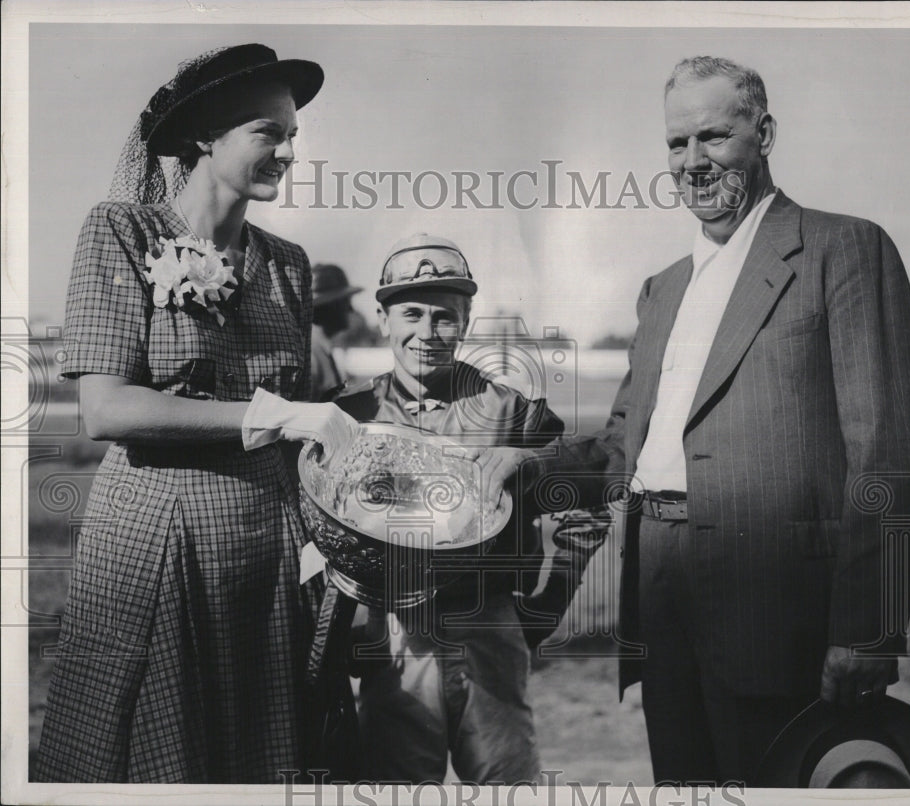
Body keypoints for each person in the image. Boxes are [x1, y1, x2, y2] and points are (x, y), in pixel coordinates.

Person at [471, 56, 910, 784]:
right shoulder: (663, 291)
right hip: (662, 606)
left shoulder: (843, 248)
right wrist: (524, 470)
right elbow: (624, 447)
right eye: (676, 143)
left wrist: (868, 630)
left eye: (714, 137)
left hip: (781, 613)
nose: (692, 161)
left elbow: (891, 451)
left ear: (765, 133)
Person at [34, 44, 357, 783]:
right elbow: (106, 408)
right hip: (158, 540)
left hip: (266, 548)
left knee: (256, 751)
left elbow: (312, 417)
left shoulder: (288, 264)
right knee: (157, 753)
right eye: (267, 133)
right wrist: (280, 415)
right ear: (206, 136)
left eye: (293, 136)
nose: (286, 151)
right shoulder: (120, 232)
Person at [329, 233, 564, 784]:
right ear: (383, 317)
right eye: (411, 313)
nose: (428, 333)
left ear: (467, 318)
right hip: (395, 633)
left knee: (507, 787)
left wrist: (551, 599)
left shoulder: (508, 407)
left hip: (489, 627)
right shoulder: (351, 412)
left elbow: (589, 486)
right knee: (399, 787)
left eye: (446, 316)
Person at [310, 263, 362, 401]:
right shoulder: (310, 355)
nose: (350, 310)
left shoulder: (320, 348)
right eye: (346, 302)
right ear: (329, 306)